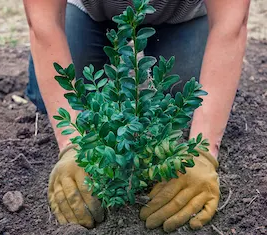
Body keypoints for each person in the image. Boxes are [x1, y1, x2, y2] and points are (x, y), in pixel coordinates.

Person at [22, 0, 250, 232]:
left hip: (182, 15)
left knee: (188, 94)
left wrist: (202, 152)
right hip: (87, 11)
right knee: (53, 95)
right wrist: (72, 142)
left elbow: (229, 24)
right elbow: (44, 23)